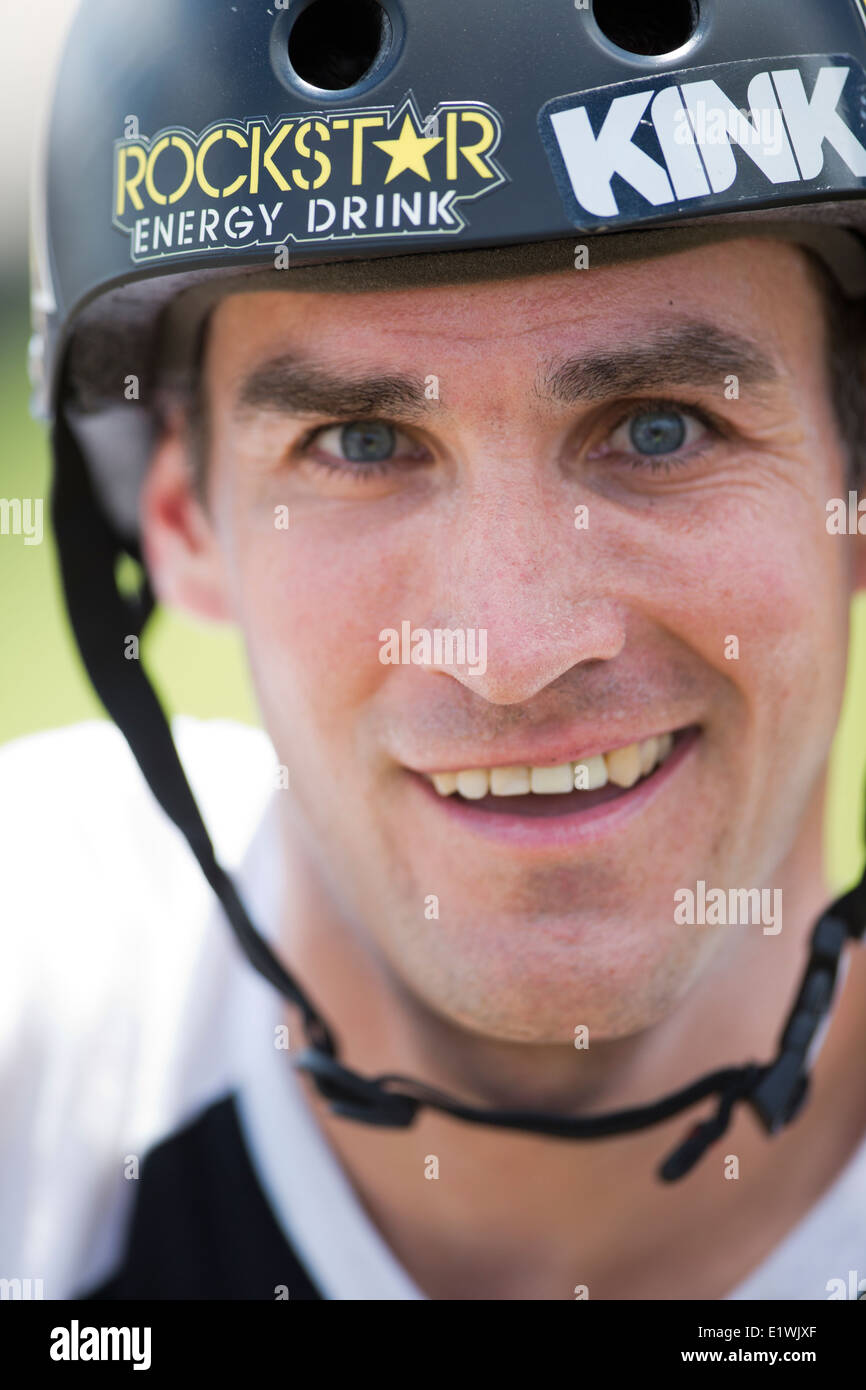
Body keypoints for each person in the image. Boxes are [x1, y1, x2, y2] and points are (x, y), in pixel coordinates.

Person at [4, 0, 866, 1302]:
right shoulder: (50, 1009)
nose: (513, 650)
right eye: (360, 444)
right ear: (181, 520)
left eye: (658, 429)